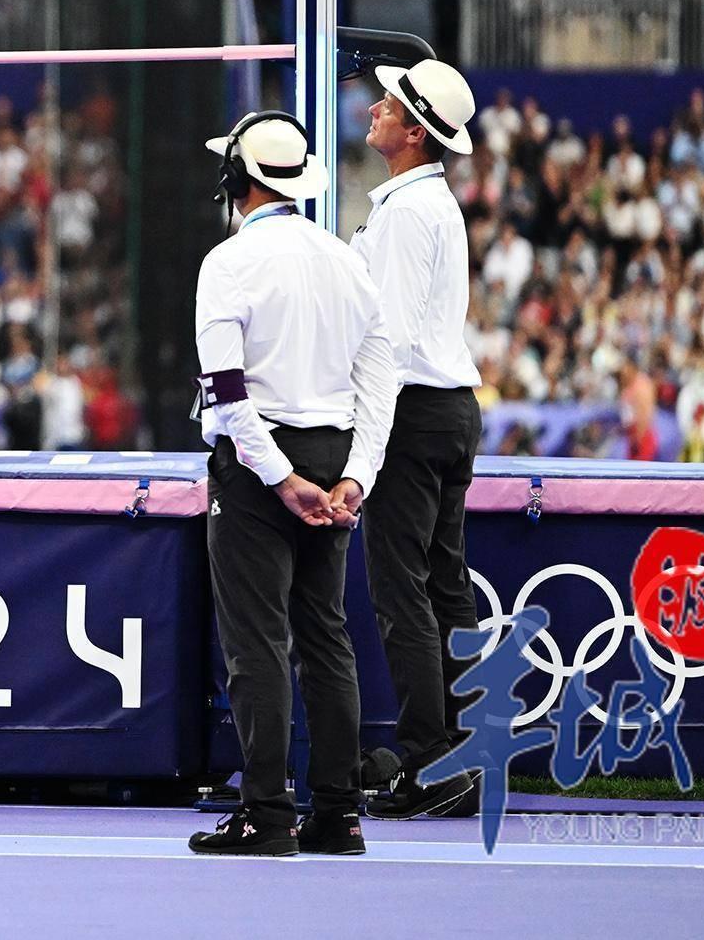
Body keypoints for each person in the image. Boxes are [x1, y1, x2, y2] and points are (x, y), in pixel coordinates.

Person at [189, 112, 394, 858]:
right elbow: (381, 381)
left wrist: (279, 478)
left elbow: (227, 392)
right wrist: (354, 476)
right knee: (325, 635)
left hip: (258, 461)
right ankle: (338, 814)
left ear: (235, 180)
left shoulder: (230, 263)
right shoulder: (347, 260)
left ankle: (268, 813)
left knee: (257, 643)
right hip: (332, 447)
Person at [353, 58, 485, 820]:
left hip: (412, 407)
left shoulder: (407, 212)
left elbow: (392, 340)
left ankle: (430, 760)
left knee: (403, 590)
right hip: (448, 406)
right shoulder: (431, 202)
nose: (374, 106)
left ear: (413, 132)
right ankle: (459, 755)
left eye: (390, 104)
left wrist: (362, 444)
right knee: (442, 585)